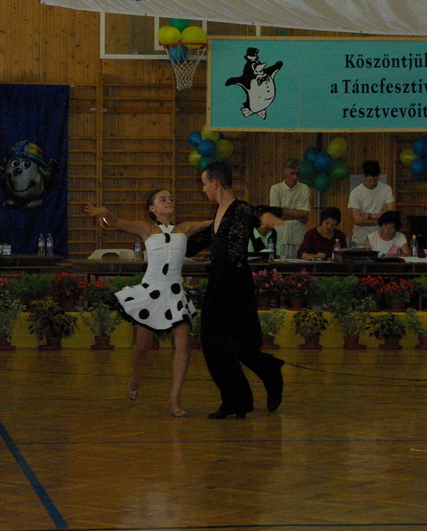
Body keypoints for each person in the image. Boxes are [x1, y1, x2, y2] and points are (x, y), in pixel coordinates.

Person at [82, 191, 211, 417]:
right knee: (142, 348)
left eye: (170, 199)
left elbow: (213, 221)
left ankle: (174, 397)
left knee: (183, 344)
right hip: (151, 294)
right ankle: (135, 377)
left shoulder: (184, 228)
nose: (169, 201)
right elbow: (117, 222)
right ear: (152, 208)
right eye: (163, 199)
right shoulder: (146, 228)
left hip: (175, 294)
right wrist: (105, 213)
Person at [200, 161, 285, 419]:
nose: (203, 189)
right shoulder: (217, 213)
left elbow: (257, 213)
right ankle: (234, 401)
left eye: (204, 184)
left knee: (244, 346)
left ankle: (270, 371)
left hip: (237, 283)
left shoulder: (240, 209)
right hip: (217, 284)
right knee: (213, 344)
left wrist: (267, 218)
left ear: (215, 183)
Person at [269, 159, 310, 259]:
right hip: (280, 237)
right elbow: (275, 213)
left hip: (298, 237)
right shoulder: (276, 188)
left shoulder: (304, 188)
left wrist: (283, 210)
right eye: (292, 173)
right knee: (279, 267)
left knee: (298, 267)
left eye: (297, 174)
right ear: (285, 172)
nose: (295, 177)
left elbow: (305, 214)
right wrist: (298, 215)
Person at [347, 160, 395, 247]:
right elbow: (357, 220)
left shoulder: (386, 189)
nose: (372, 183)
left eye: (375, 180)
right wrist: (380, 219)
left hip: (381, 237)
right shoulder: (355, 193)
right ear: (364, 176)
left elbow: (391, 213)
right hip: (361, 238)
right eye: (370, 180)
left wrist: (369, 216)